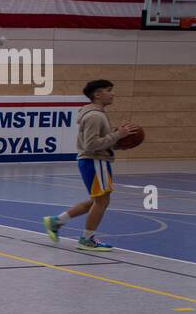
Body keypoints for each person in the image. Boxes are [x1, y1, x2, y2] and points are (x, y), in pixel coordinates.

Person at [42, 79, 137, 252]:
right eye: (108, 90)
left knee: (96, 200)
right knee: (102, 201)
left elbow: (99, 142)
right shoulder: (95, 116)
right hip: (95, 160)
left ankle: (56, 221)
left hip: (96, 160)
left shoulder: (97, 113)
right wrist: (117, 135)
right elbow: (91, 145)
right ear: (97, 94)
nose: (113, 93)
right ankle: (87, 240)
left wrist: (117, 140)